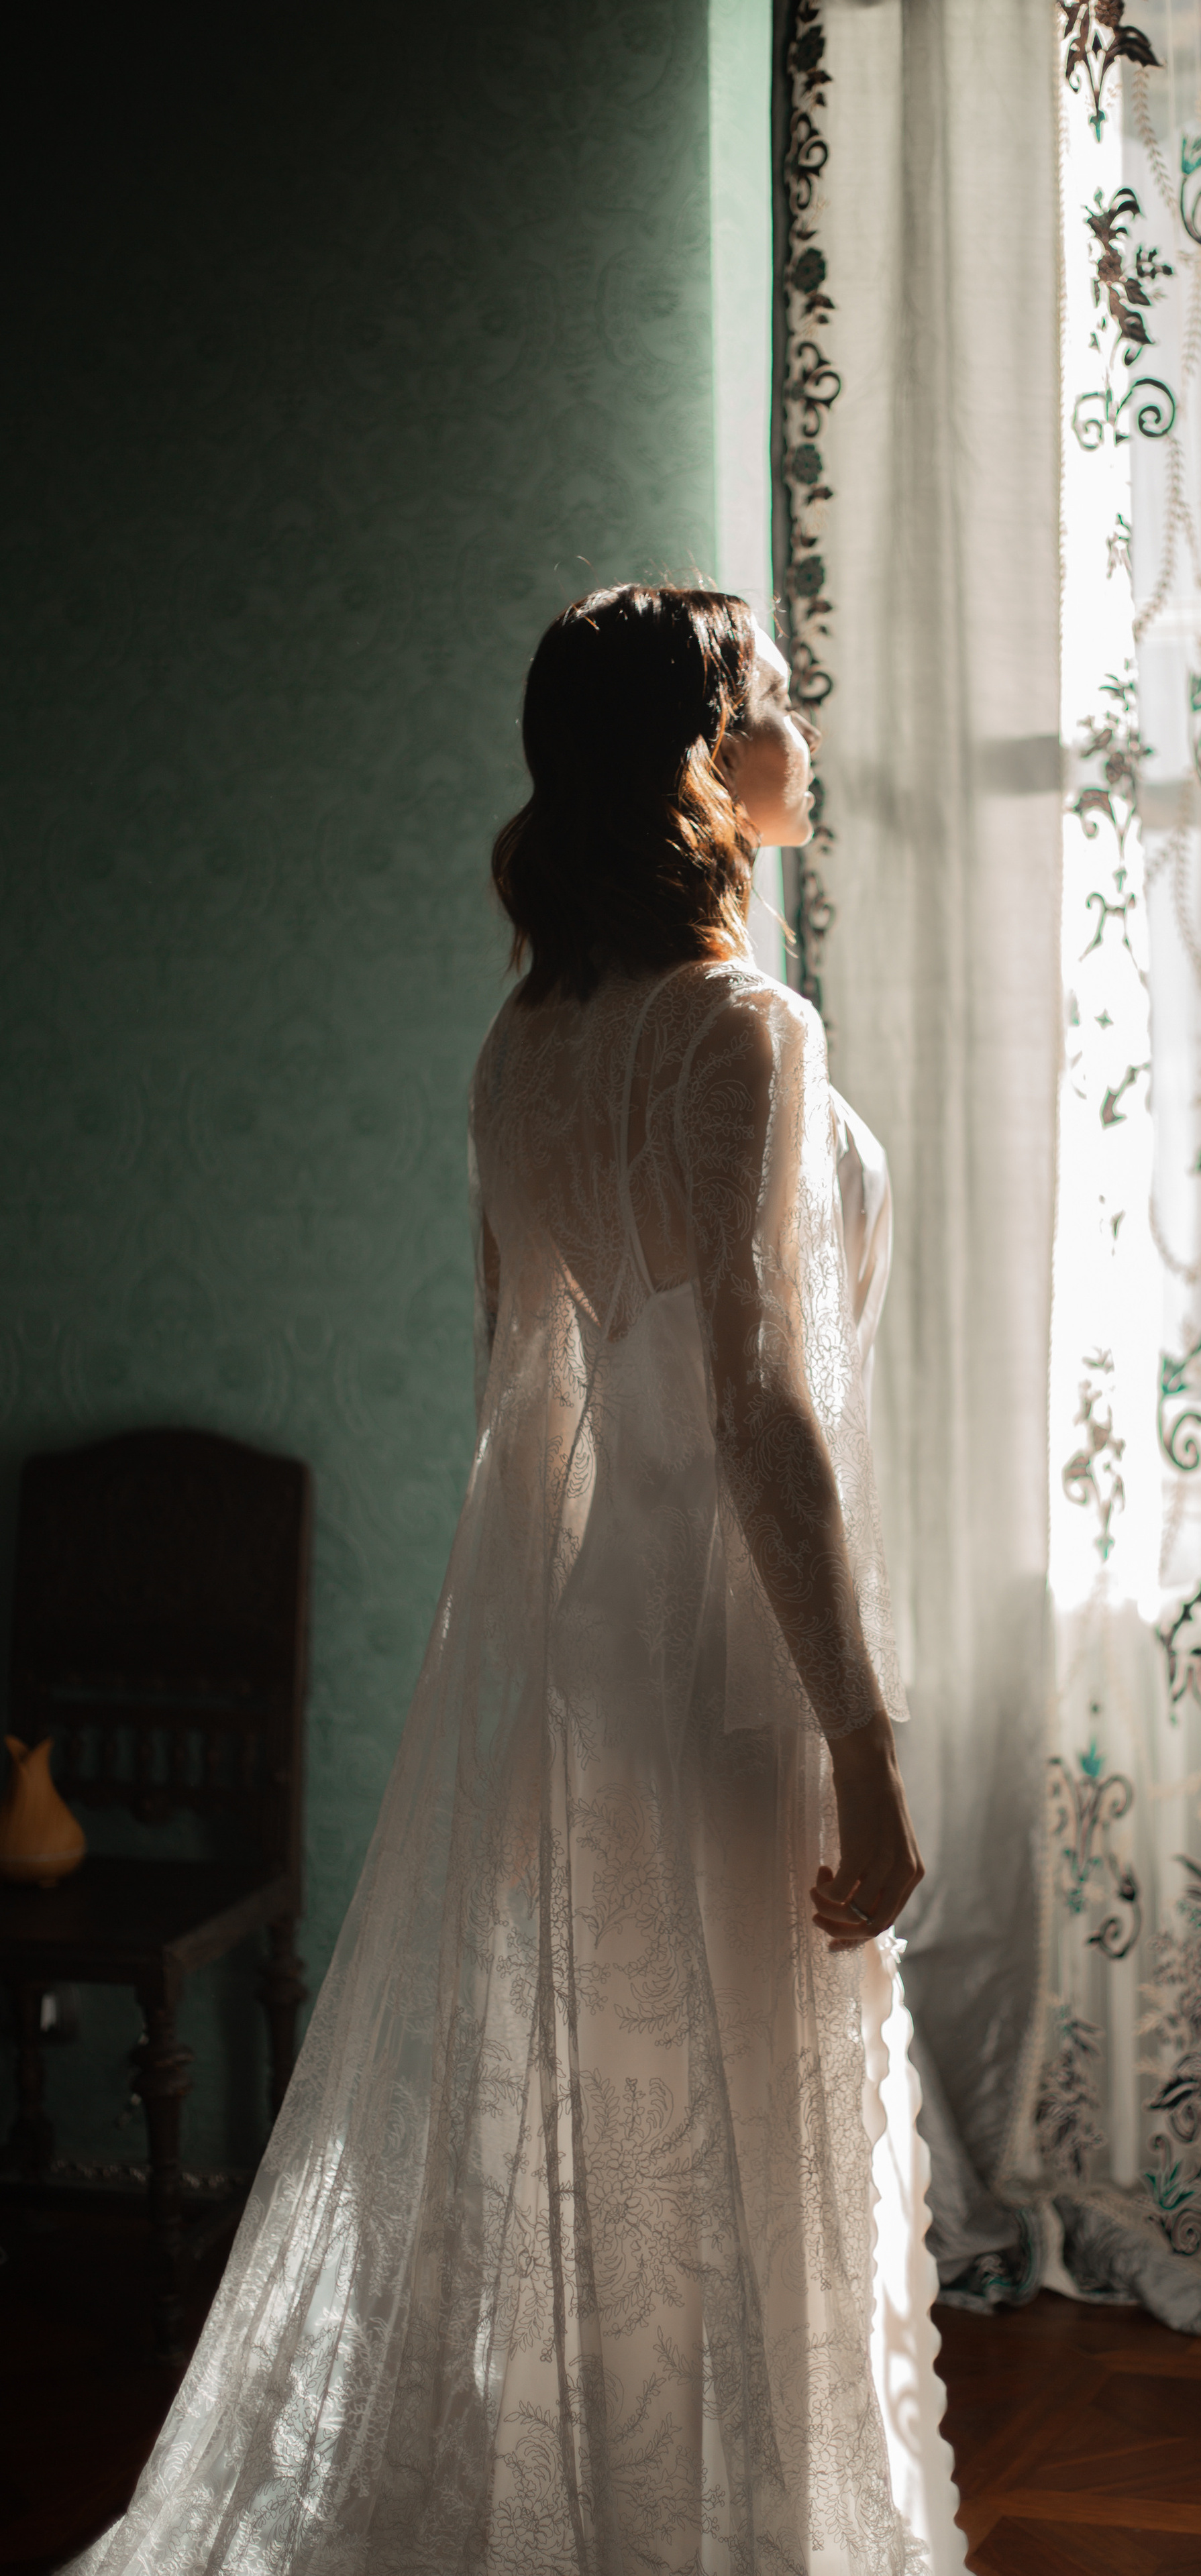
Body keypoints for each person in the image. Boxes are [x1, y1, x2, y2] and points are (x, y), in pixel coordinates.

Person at [66, 584, 966, 2576]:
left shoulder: (525, 1043)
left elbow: (524, 1411)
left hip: (591, 1641)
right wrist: (869, 1739)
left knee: (639, 2104)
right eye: (779, 700)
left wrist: (526, 1685)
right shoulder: (739, 1024)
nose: (808, 730)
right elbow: (757, 1415)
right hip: (733, 1657)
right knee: (747, 2121)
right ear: (703, 759)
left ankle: (624, 2512)